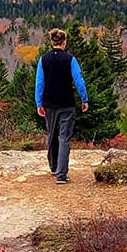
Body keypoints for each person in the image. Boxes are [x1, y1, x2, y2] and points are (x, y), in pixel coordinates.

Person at [35, 27, 89, 184]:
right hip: (67, 103)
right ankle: (61, 174)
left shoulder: (43, 59)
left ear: (52, 42)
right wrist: (84, 99)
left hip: (49, 103)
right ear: (64, 42)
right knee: (64, 137)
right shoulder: (70, 59)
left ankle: (53, 167)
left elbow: (40, 83)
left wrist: (39, 102)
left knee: (52, 134)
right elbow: (79, 80)